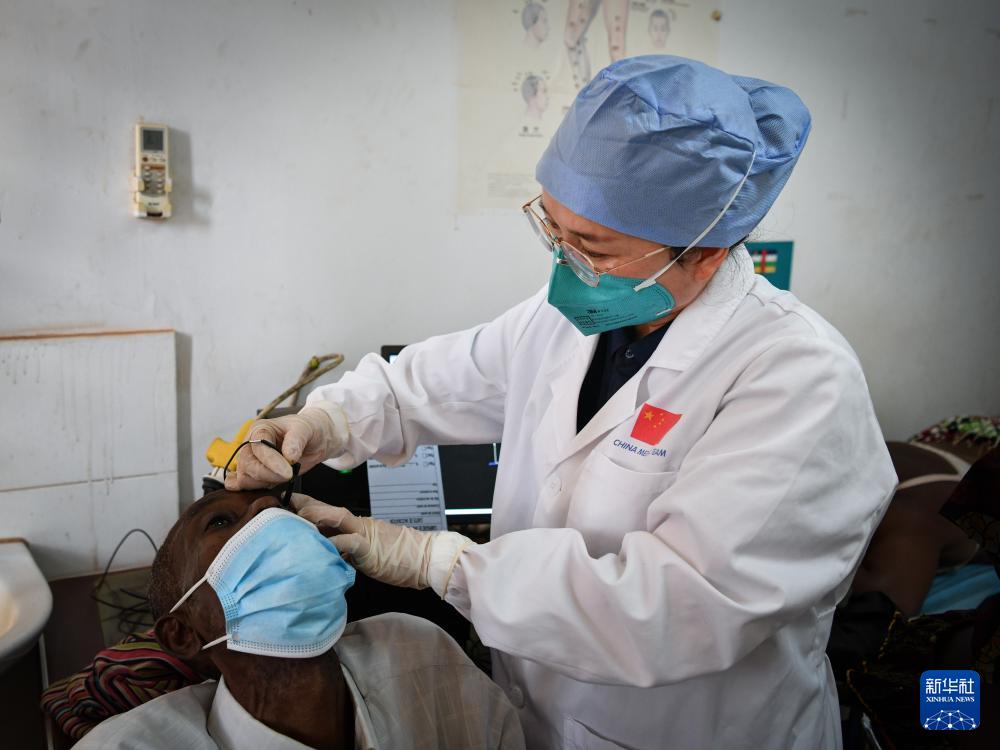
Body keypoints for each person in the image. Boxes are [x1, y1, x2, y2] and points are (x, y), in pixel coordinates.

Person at [228, 56, 897, 749]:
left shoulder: (798, 378)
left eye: (592, 248)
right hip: (537, 711)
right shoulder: (569, 320)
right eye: (552, 230)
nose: (565, 266)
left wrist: (439, 564)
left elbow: (676, 609)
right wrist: (323, 422)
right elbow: (423, 385)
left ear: (705, 251)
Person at [75, 489, 525, 749]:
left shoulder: (422, 656)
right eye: (220, 522)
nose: (267, 509)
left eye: (281, 510)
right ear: (181, 633)